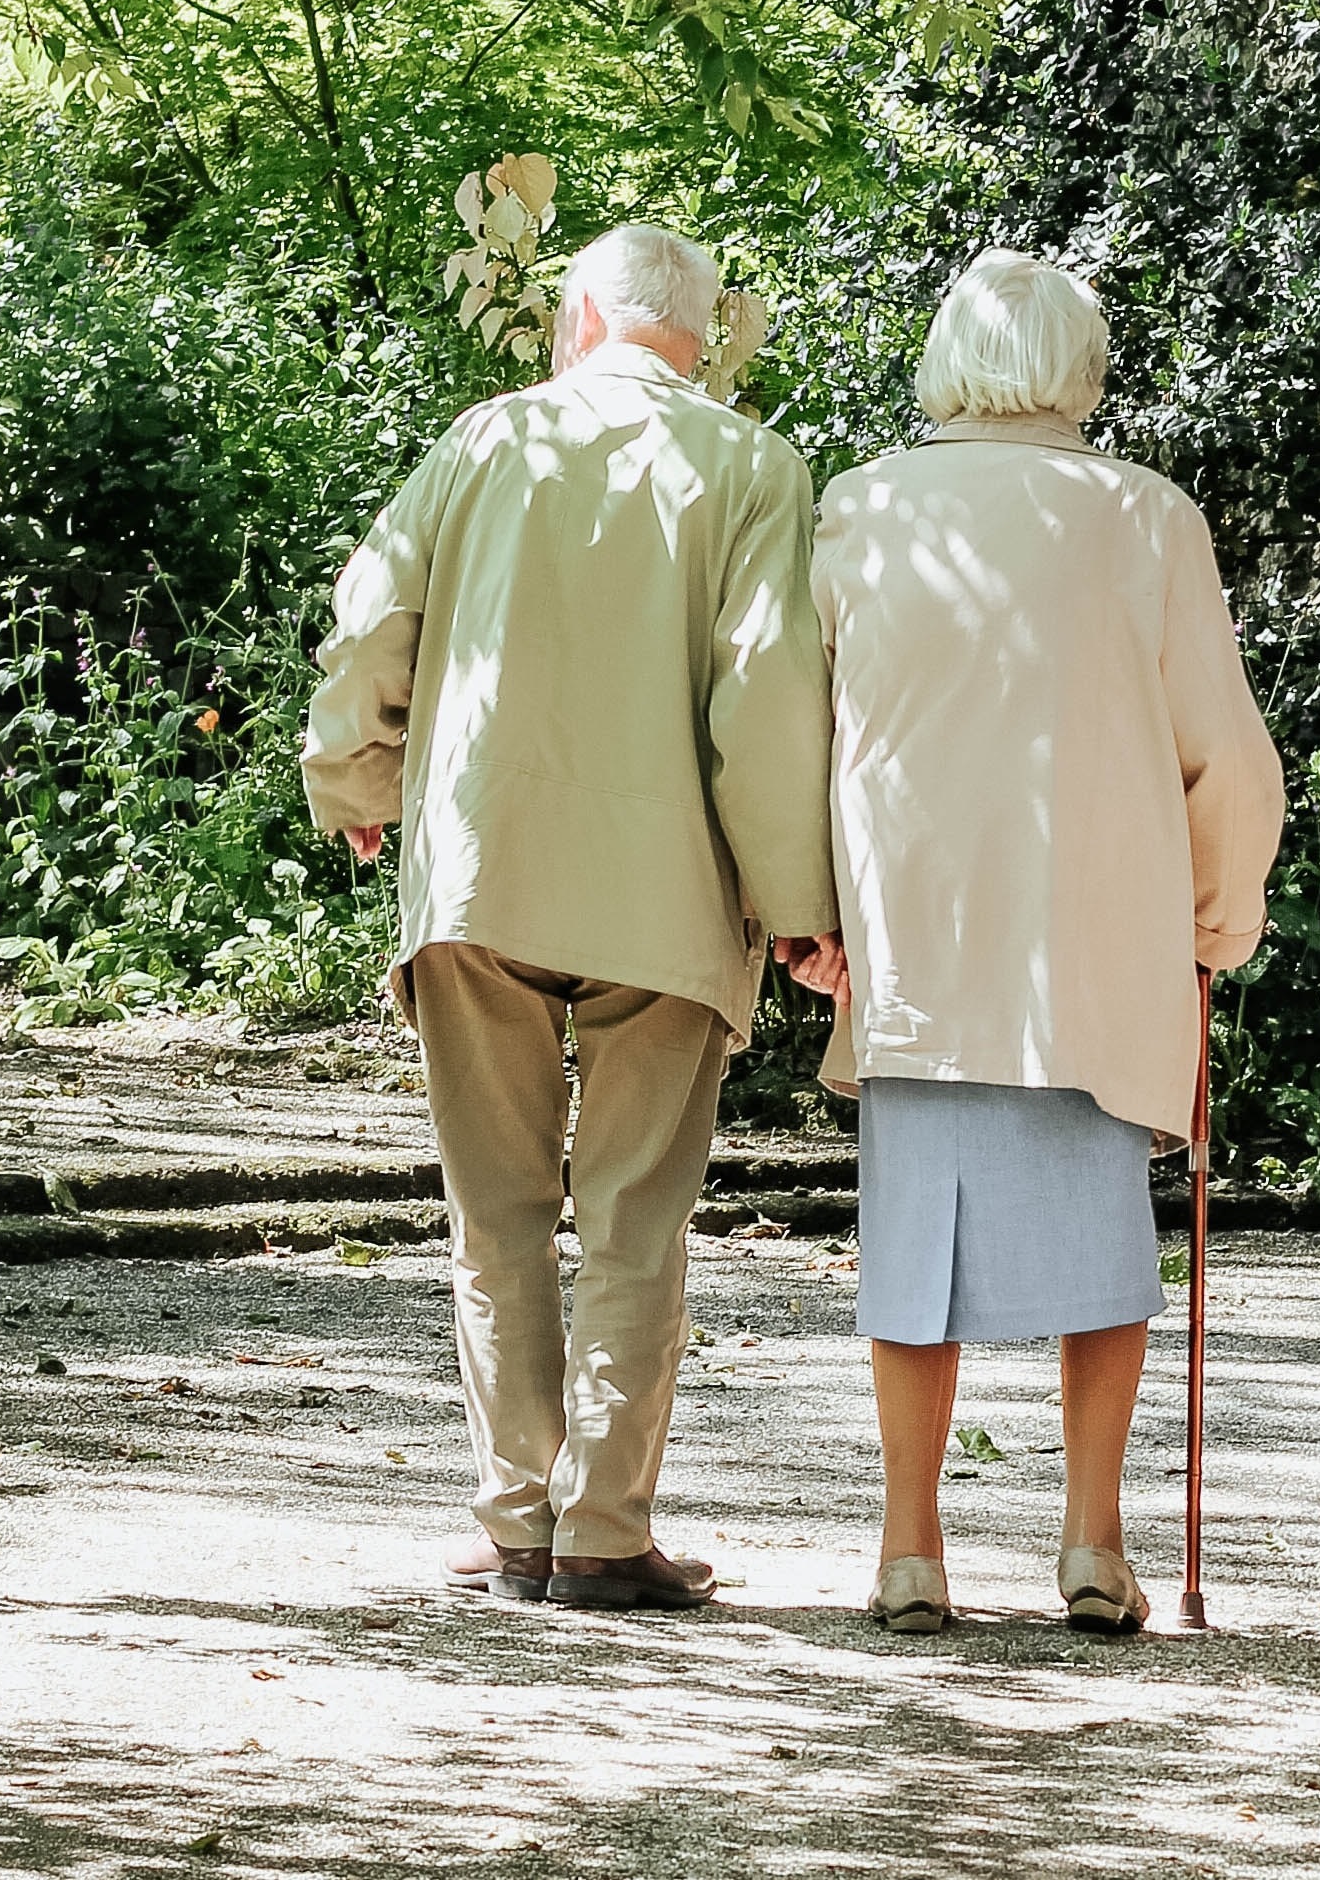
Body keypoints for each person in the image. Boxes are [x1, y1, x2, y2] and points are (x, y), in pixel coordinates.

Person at [302, 222, 838, 1612]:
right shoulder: (755, 467)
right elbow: (767, 698)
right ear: (702, 338)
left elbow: (373, 624)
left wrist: (353, 775)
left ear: (579, 322)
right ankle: (603, 1531)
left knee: (495, 1212)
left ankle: (515, 1518)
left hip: (485, 871)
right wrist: (796, 905)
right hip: (667, 892)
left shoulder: (483, 443)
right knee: (634, 1219)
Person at [784, 250, 1284, 1637]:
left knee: (909, 1257)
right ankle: (1091, 1543)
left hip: (919, 935)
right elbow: (1225, 756)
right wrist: (1216, 919)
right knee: (1104, 1254)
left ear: (949, 358)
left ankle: (909, 1548)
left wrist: (806, 914)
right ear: (1082, 367)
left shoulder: (862, 506)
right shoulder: (1145, 519)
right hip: (1094, 942)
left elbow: (800, 732)